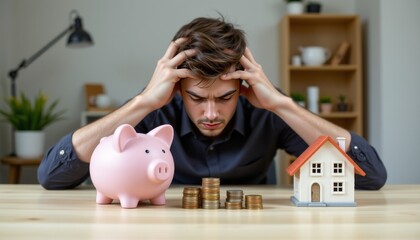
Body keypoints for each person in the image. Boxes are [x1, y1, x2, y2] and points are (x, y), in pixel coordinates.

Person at [38, 16, 387, 190]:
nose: (210, 113)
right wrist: (142, 102)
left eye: (224, 98)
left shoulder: (266, 109)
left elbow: (371, 177)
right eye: (196, 97)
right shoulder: (156, 105)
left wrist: (284, 105)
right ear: (177, 87)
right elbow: (52, 176)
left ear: (243, 86)